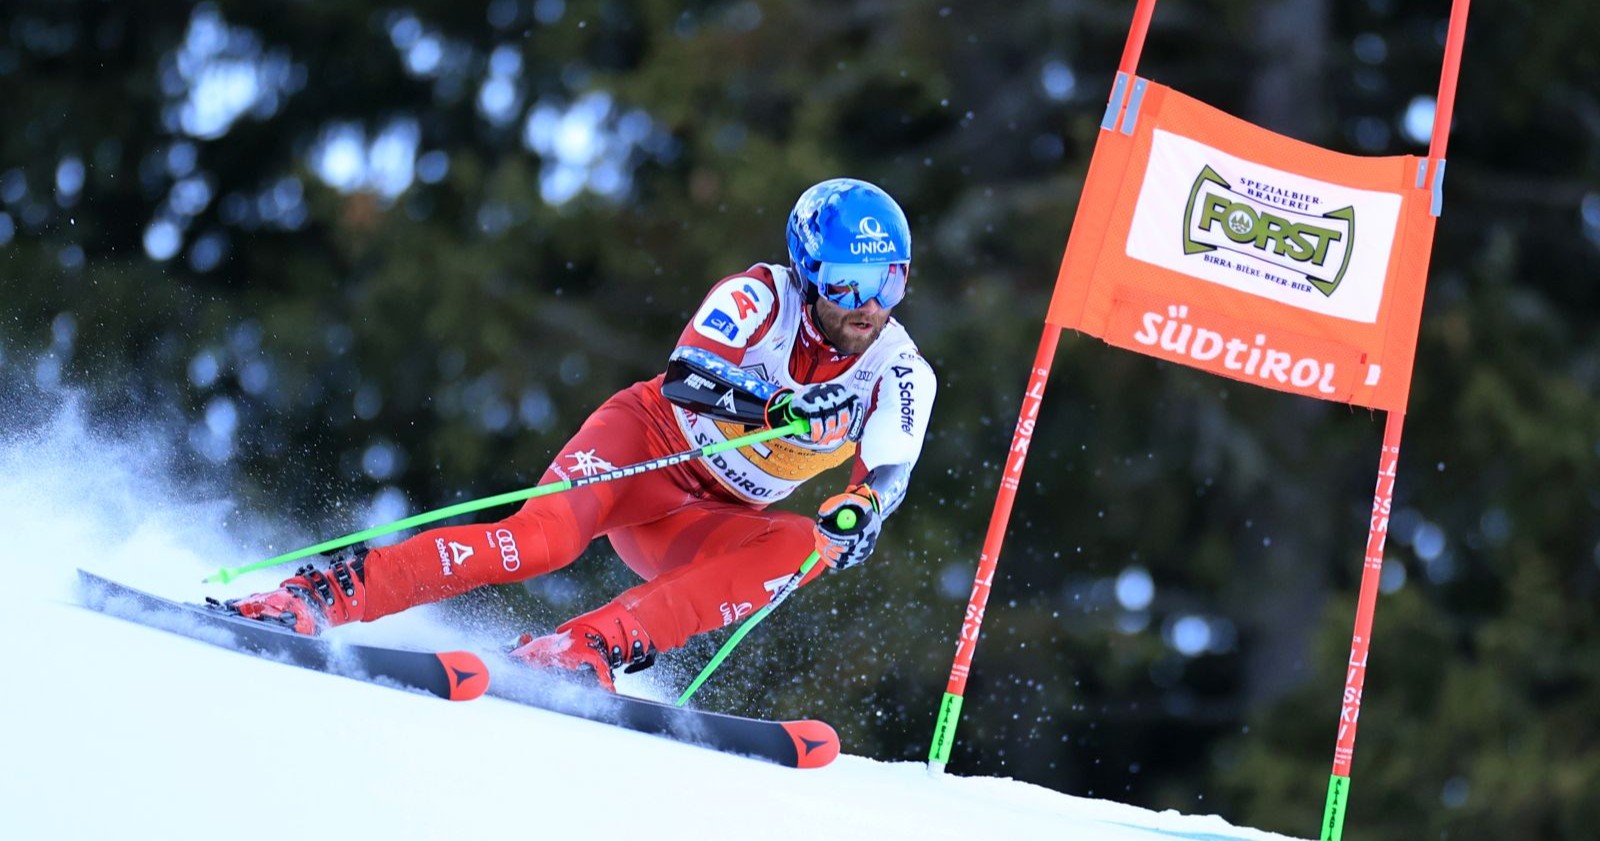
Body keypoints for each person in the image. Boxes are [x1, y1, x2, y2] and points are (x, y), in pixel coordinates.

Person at [225, 177, 938, 691]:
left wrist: (860, 515)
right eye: (847, 282)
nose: (868, 306)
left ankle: (583, 647)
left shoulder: (899, 370)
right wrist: (778, 407)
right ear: (809, 273)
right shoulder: (758, 297)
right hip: (645, 449)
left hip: (705, 517)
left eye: (889, 282)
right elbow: (688, 377)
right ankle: (320, 595)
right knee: (541, 542)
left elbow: (887, 474)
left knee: (801, 545)